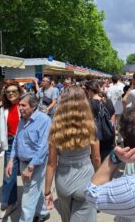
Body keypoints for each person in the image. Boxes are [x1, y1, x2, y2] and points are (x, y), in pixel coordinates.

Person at [45, 86, 97, 222]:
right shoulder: (90, 125)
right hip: (85, 177)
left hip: (63, 180)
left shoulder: (55, 126)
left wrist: (47, 192)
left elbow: (51, 163)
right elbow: (96, 158)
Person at [5, 93, 51, 222]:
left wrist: (31, 168)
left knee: (27, 199)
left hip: (36, 164)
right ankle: (43, 212)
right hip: (23, 162)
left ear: (33, 106)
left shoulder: (44, 120)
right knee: (33, 190)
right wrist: (10, 160)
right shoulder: (22, 119)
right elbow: (16, 141)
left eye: (23, 105)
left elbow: (43, 147)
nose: (20, 108)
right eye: (19, 105)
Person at [0, 81, 23, 219]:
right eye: (8, 92)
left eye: (14, 91)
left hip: (25, 145)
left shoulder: (25, 105)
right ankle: (10, 203)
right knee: (8, 176)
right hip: (10, 144)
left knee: (30, 177)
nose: (11, 94)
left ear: (19, 92)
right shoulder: (2, 108)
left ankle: (39, 207)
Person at [86, 80, 115, 162]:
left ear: (89, 90)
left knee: (96, 160)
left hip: (95, 136)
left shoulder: (87, 103)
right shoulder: (108, 101)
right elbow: (112, 119)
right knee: (107, 160)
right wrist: (114, 137)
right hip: (108, 134)